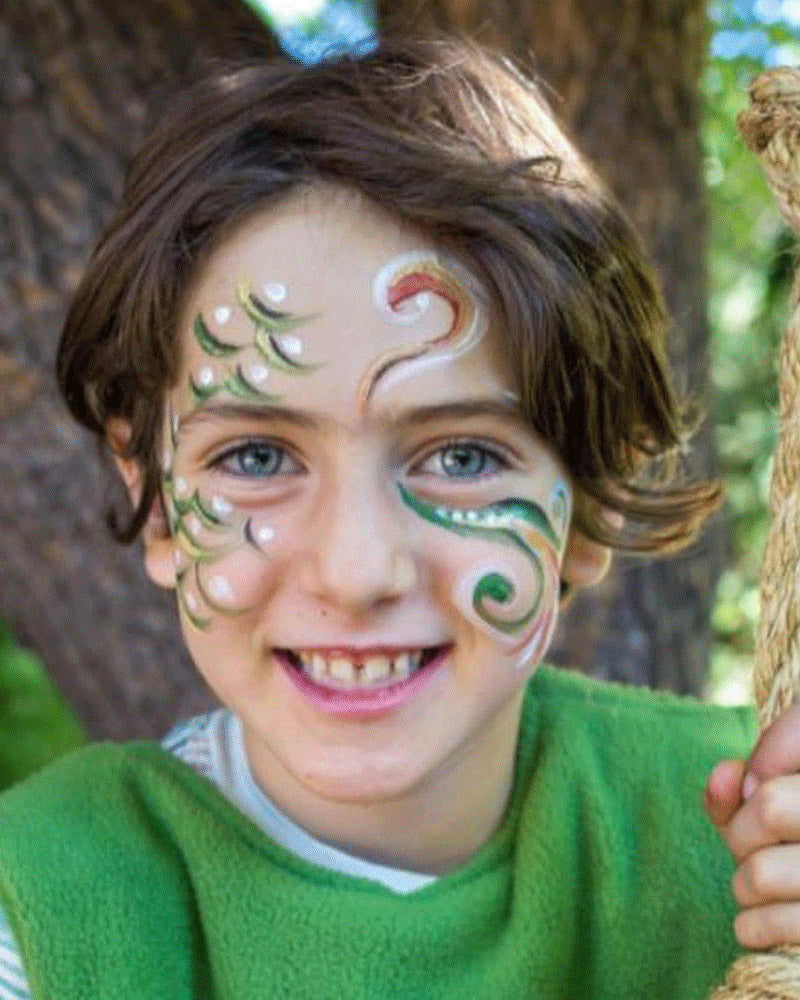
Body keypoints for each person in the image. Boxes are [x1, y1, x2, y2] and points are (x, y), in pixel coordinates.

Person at [0, 35, 796, 1000]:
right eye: (255, 457)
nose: (356, 569)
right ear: (156, 500)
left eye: (463, 457)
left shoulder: (758, 835)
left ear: (587, 501)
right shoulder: (41, 908)